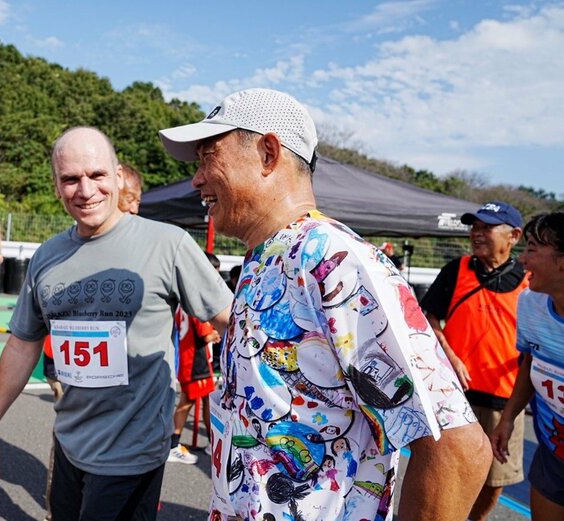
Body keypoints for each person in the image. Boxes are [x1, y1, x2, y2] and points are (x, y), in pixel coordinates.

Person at [159, 88, 490, 520]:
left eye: (208, 156)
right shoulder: (267, 258)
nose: (196, 178)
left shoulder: (332, 260)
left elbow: (457, 446)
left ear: (268, 153)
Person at [0, 127, 233, 521]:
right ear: (57, 187)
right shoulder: (47, 256)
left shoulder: (168, 244)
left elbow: (231, 321)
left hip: (134, 452)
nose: (86, 190)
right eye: (71, 179)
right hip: (70, 443)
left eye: (96, 175)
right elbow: (22, 345)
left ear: (117, 174)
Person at [420, 201, 528, 520]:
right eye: (474, 227)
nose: (477, 234)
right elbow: (429, 318)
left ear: (514, 236)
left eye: (486, 227)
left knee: (497, 476)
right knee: (441, 465)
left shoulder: (530, 280)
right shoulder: (457, 269)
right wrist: (450, 355)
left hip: (504, 398)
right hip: (453, 393)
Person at [490, 212, 564, 521]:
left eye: (532, 249)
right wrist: (508, 417)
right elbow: (531, 360)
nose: (523, 260)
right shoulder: (530, 302)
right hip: (553, 456)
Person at [169, 251, 222, 465]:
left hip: (191, 358)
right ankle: (172, 444)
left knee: (198, 401)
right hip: (195, 360)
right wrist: (217, 333)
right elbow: (205, 333)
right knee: (188, 402)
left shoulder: (184, 295)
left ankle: (178, 443)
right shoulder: (196, 297)